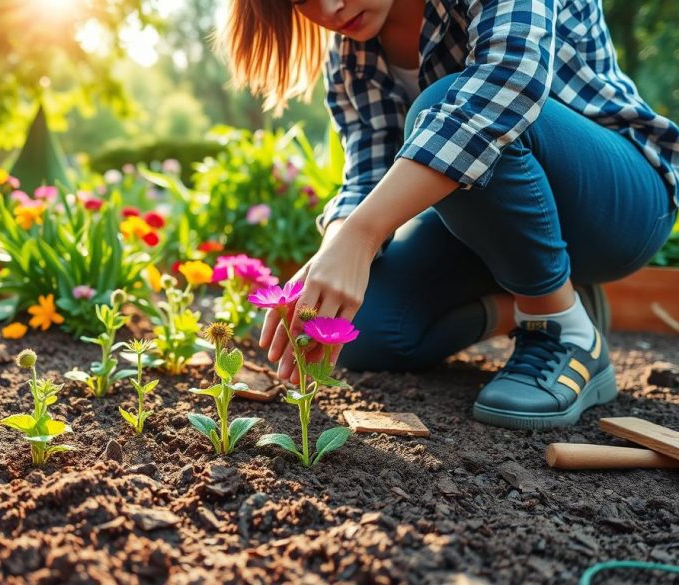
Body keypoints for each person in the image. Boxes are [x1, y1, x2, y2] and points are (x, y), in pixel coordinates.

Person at [224, 0, 679, 429]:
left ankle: (560, 325)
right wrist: (333, 255)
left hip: (619, 206)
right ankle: (548, 300)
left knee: (444, 107)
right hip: (493, 227)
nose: (328, 9)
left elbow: (506, 85)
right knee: (365, 330)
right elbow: (367, 177)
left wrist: (360, 237)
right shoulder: (353, 59)